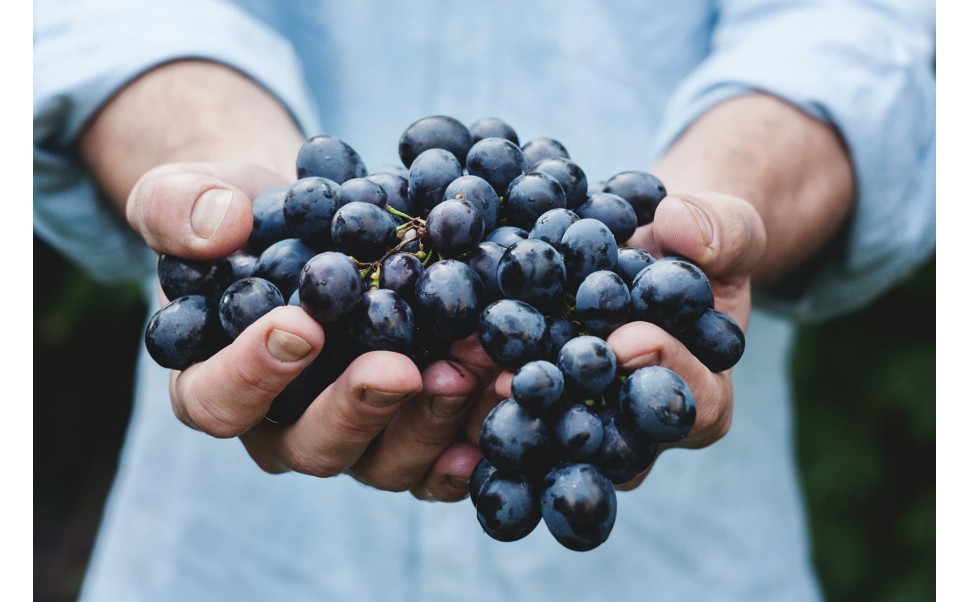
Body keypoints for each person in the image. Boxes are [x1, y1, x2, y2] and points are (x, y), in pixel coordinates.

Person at [34, 1, 935, 600]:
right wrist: (217, 177)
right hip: (234, 559)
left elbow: (850, 31)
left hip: (679, 561)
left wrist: (713, 205)